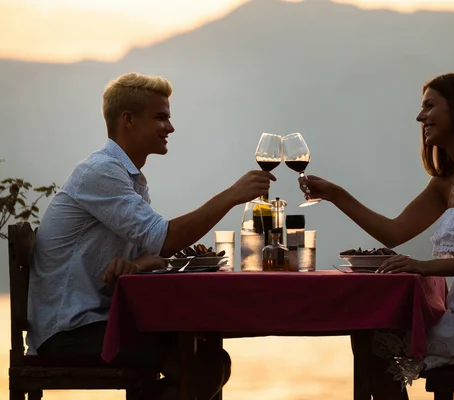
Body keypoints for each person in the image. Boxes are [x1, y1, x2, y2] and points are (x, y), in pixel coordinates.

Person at [300, 72, 454, 399]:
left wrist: (424, 266)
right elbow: (393, 232)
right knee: (371, 333)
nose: (420, 116)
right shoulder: (447, 181)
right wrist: (336, 195)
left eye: (430, 106)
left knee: (375, 337)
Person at [26, 72, 276, 400]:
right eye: (161, 118)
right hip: (71, 331)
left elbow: (152, 251)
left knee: (210, 357)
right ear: (128, 120)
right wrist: (231, 196)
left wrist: (138, 263)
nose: (170, 128)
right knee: (204, 363)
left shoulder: (130, 179)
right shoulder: (100, 172)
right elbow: (163, 238)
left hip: (100, 321)